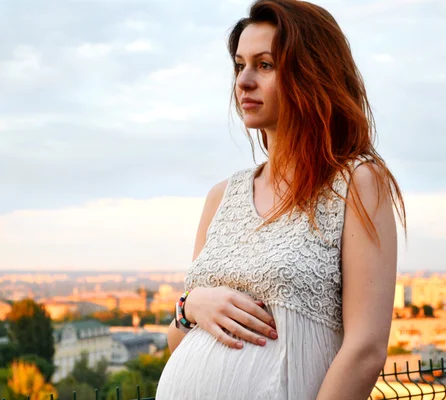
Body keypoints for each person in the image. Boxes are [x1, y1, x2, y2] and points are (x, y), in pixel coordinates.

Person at [155, 0, 406, 399]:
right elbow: (179, 345)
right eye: (240, 66)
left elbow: (366, 349)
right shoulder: (221, 196)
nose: (244, 81)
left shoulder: (355, 182)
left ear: (311, 74)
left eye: (265, 65)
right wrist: (191, 307)